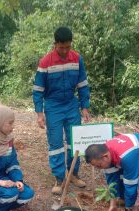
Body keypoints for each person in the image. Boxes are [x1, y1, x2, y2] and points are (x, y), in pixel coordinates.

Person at [32, 26, 90, 195]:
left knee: (75, 141)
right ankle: (59, 177)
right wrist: (39, 113)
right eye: (61, 47)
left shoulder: (77, 59)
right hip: (53, 106)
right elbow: (38, 89)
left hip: (71, 105)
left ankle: (73, 173)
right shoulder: (45, 62)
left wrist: (84, 107)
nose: (65, 51)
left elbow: (82, 84)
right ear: (55, 44)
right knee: (56, 143)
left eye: (67, 47)